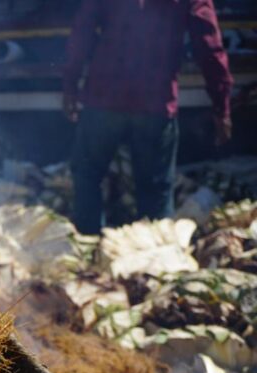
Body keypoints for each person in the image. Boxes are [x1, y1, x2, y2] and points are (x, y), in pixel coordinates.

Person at [63, 0, 233, 234]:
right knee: (155, 190)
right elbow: (209, 48)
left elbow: (82, 31)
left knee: (88, 176)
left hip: (104, 100)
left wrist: (71, 84)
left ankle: (88, 247)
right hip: (155, 104)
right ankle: (156, 260)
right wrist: (221, 105)